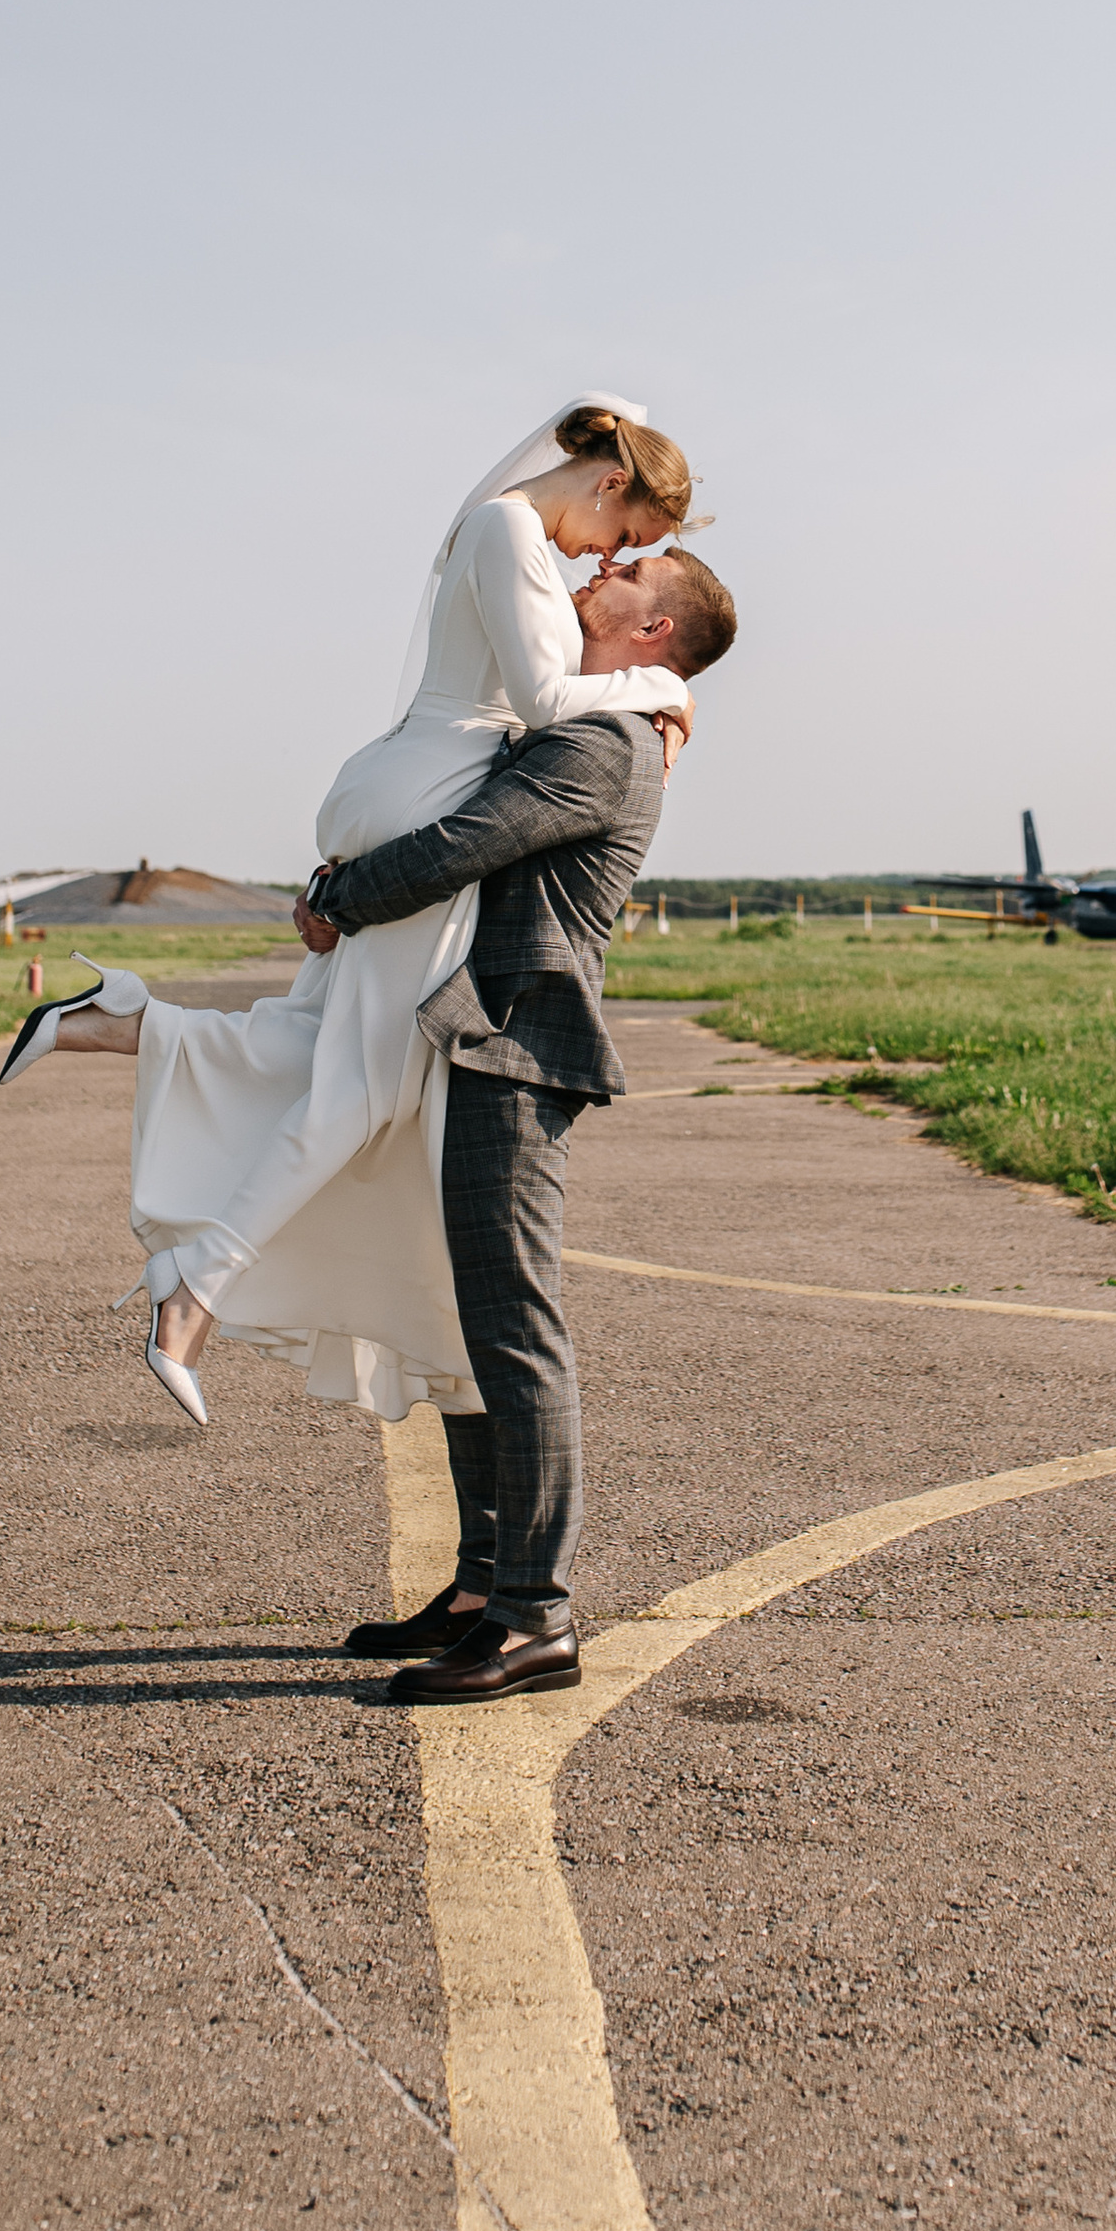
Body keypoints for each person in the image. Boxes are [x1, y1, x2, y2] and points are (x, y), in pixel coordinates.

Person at [0, 401, 700, 1428]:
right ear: (607, 484)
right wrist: (666, 683)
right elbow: (547, 701)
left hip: (416, 778)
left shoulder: (524, 543)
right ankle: (194, 1290)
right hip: (426, 789)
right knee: (364, 1091)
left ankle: (120, 1022)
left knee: (317, 1044)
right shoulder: (509, 528)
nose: (613, 558)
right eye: (628, 536)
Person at [316, 537, 739, 1700]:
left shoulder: (602, 748)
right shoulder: (600, 718)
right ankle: (478, 1589)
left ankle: (533, 1617)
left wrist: (338, 898)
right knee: (462, 1323)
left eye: (629, 579)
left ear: (651, 633)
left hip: (517, 1051)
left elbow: (466, 843)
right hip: (476, 1038)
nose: (603, 573)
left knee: (512, 1328)